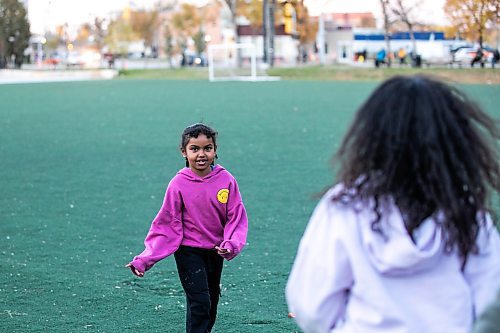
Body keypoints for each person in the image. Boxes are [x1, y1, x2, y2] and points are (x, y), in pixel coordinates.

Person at [286, 75, 500, 333]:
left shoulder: (345, 206)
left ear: (371, 136)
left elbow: (312, 305)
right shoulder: (467, 212)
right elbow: (490, 302)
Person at [126, 123, 248, 333]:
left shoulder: (226, 180)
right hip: (188, 251)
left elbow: (235, 217)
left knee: (210, 305)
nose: (201, 154)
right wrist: (145, 259)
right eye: (194, 149)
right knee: (199, 303)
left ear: (215, 150)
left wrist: (230, 244)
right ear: (184, 152)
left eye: (207, 148)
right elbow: (165, 224)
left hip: (215, 251)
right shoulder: (178, 184)